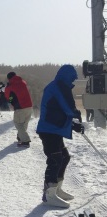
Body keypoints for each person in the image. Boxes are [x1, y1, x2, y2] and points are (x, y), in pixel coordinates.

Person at [36, 64, 83, 208]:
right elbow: (68, 108)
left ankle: (56, 189)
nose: (73, 82)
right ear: (67, 77)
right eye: (72, 79)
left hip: (54, 128)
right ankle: (49, 194)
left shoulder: (59, 85)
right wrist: (76, 119)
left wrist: (73, 124)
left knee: (64, 157)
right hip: (49, 129)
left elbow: (59, 110)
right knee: (55, 158)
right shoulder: (58, 86)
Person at [4, 72, 33, 147]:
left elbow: (8, 97)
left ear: (9, 78)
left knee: (18, 124)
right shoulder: (23, 82)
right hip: (29, 106)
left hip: (20, 107)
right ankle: (20, 137)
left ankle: (25, 141)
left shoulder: (10, 86)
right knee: (24, 123)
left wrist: (7, 89)